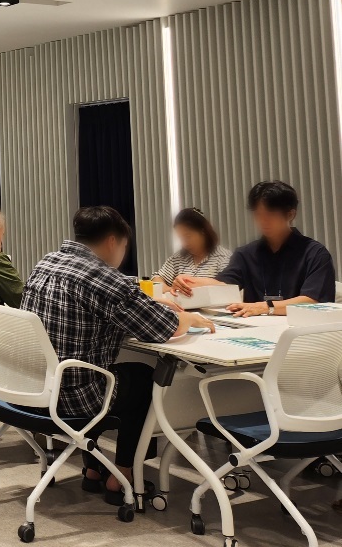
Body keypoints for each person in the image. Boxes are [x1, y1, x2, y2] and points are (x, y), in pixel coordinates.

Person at [21, 206, 214, 504]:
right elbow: (163, 328)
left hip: (35, 387)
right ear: (113, 241)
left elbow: (113, 298)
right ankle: (122, 475)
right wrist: (189, 319)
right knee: (143, 379)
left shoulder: (47, 262)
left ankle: (93, 469)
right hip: (74, 397)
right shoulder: (103, 278)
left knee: (105, 369)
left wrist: (147, 299)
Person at [176, 181, 336, 316]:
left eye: (270, 214)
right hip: (255, 329)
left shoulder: (315, 253)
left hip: (300, 331)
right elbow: (223, 283)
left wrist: (265, 307)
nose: (263, 221)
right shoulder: (246, 254)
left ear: (290, 214)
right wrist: (189, 281)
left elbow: (313, 301)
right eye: (258, 214)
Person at [151, 208, 232, 291]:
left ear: (203, 232)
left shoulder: (223, 257)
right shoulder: (178, 258)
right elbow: (156, 278)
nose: (184, 243)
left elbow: (228, 287)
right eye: (180, 238)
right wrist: (171, 290)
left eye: (188, 236)